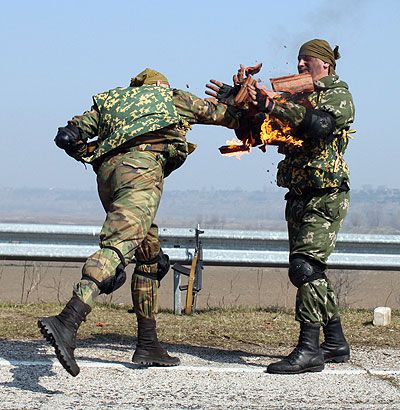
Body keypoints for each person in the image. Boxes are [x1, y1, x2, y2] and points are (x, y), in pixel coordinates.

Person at [38, 68, 243, 377]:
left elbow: (70, 133)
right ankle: (68, 320)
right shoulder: (170, 99)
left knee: (149, 256)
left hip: (108, 176)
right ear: (160, 86)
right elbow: (225, 117)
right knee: (119, 244)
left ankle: (148, 344)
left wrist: (81, 145)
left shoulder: (112, 101)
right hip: (141, 172)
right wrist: (235, 103)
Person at [207, 39, 355, 374]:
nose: (301, 65)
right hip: (299, 193)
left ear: (326, 65)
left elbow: (321, 125)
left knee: (304, 268)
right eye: (299, 59)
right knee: (309, 271)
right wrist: (239, 103)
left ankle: (309, 349)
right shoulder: (291, 96)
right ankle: (334, 342)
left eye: (308, 60)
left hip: (325, 193)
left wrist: (274, 105)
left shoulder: (338, 93)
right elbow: (256, 133)